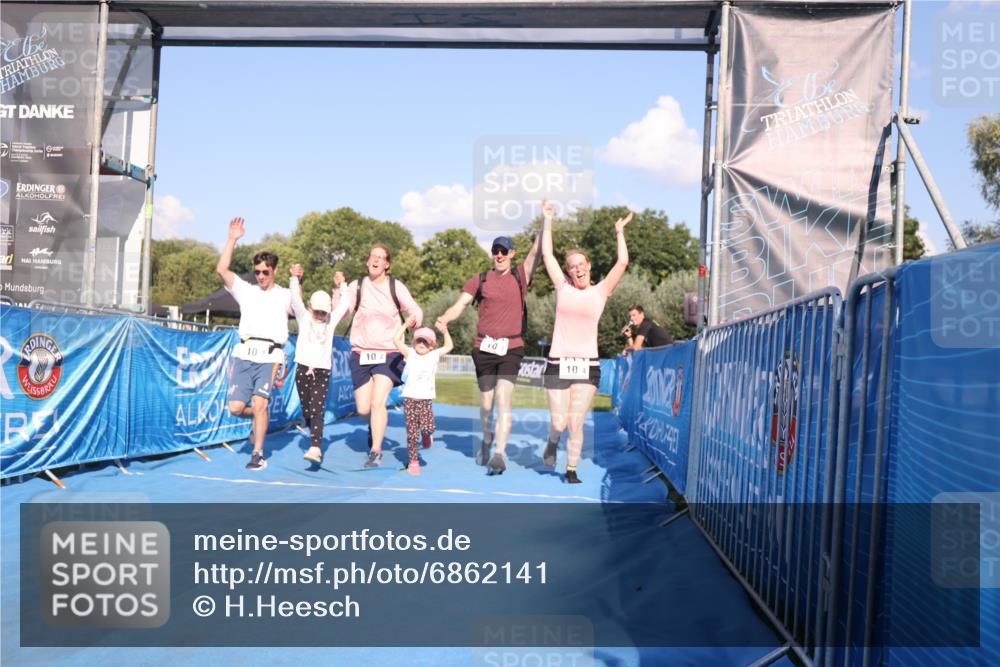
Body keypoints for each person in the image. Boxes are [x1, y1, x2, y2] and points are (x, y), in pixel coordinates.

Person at [435, 228, 541, 476]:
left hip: (511, 348)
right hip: (484, 348)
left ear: (512, 253)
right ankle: (486, 437)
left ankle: (499, 453)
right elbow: (461, 303)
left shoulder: (520, 277)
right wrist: (445, 319)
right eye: (496, 251)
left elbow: (536, 254)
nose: (500, 255)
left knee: (504, 400)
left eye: (504, 251)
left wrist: (545, 222)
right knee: (486, 404)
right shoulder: (480, 279)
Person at [540, 201, 632, 483]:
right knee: (558, 422)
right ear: (568, 272)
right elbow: (547, 253)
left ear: (589, 267)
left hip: (587, 366)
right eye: (572, 267)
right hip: (558, 363)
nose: (578, 270)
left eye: (582, 265)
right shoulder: (563, 287)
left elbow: (623, 262)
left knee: (575, 421)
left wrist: (619, 232)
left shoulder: (602, 291)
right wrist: (547, 219)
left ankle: (571, 469)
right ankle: (553, 441)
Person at [334, 244, 422, 468]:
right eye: (372, 256)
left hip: (389, 353)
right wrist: (338, 291)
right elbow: (342, 314)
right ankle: (375, 428)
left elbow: (415, 310)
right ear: (367, 261)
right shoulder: (357, 286)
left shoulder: (395, 286)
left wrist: (414, 320)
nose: (375, 260)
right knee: (364, 408)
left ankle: (375, 451)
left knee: (378, 401)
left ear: (387, 264)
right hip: (361, 353)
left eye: (380, 257)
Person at [216, 216, 293, 472]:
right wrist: (232, 239)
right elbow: (222, 270)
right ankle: (259, 421)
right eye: (257, 271)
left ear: (274, 271)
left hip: (270, 355)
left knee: (261, 404)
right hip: (244, 353)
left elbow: (302, 310)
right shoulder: (246, 291)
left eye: (265, 272)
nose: (260, 276)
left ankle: (258, 453)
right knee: (236, 408)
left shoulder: (284, 295)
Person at [289, 263, 350, 465]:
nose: (321, 316)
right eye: (317, 312)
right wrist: (295, 278)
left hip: (322, 372)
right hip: (302, 370)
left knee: (317, 409)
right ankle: (312, 429)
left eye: (324, 312)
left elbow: (344, 304)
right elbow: (295, 298)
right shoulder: (304, 318)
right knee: (307, 409)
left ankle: (315, 446)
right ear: (310, 308)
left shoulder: (331, 322)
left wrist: (342, 285)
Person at [393, 318, 454, 475]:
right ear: (414, 343)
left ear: (432, 345)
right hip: (410, 399)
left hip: (425, 400)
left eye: (425, 342)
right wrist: (405, 325)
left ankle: (427, 435)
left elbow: (449, 346)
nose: (421, 344)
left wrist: (445, 330)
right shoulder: (410, 354)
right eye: (419, 341)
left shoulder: (433, 355)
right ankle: (413, 461)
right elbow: (395, 340)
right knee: (412, 432)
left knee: (429, 427)